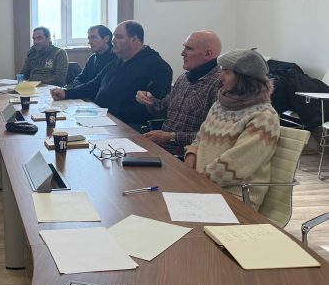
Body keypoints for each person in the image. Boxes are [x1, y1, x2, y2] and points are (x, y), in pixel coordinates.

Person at [184, 49, 280, 210]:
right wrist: (191, 155)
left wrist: (197, 181)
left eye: (226, 72)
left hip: (236, 196)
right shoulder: (219, 106)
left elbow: (237, 163)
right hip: (203, 185)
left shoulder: (264, 117)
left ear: (244, 78)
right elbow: (200, 137)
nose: (220, 77)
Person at [50, 21, 172, 129]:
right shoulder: (117, 62)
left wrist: (108, 115)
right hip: (102, 118)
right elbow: (93, 85)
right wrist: (66, 93)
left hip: (127, 126)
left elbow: (154, 108)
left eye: (118, 37)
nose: (113, 41)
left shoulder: (157, 66)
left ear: (134, 40)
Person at [135, 30, 222, 157]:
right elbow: (162, 109)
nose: (182, 53)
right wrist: (149, 100)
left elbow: (214, 136)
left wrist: (170, 136)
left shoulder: (220, 83)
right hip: (161, 148)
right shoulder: (183, 78)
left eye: (189, 49)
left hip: (185, 155)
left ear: (208, 54)